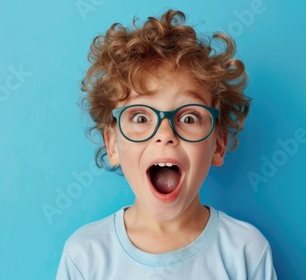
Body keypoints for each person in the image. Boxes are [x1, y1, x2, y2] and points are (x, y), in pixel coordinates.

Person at [56, 9, 277, 279]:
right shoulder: (85, 255)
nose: (165, 133)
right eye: (140, 117)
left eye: (188, 117)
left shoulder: (246, 251)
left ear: (218, 145)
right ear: (112, 144)